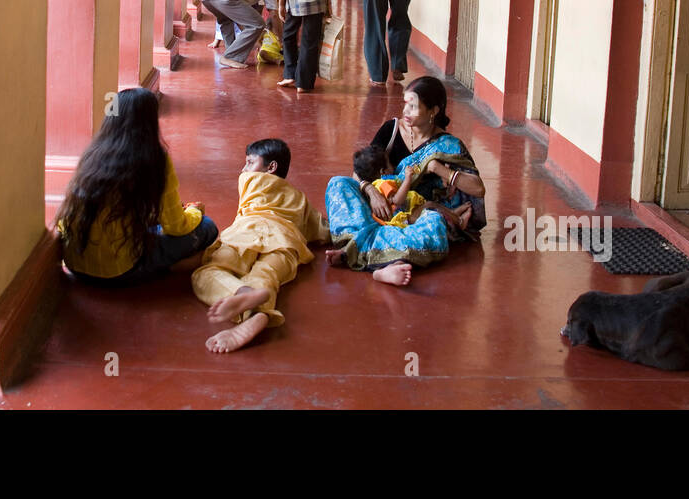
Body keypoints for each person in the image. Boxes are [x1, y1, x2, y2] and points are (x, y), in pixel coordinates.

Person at [324, 76, 485, 287]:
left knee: (434, 224)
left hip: (414, 219)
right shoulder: (391, 130)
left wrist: (437, 168)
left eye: (414, 106)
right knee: (338, 184)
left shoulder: (448, 144)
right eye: (405, 104)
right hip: (379, 209)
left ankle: (357, 251)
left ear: (433, 111)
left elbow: (478, 189)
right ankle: (382, 256)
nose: (405, 112)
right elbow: (359, 171)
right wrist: (372, 193)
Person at [57, 88, 219, 285]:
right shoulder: (155, 158)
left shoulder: (94, 152)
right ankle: (168, 267)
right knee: (207, 227)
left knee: (152, 227)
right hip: (120, 270)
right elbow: (176, 227)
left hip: (76, 266)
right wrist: (194, 212)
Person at [192, 138, 328, 353]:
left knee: (207, 273)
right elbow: (322, 231)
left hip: (246, 234)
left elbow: (247, 178)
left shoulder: (249, 179)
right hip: (286, 242)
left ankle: (242, 293)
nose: (244, 168)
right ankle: (256, 315)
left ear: (271, 167)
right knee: (266, 277)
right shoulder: (301, 199)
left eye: (249, 162)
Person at [199, 0, 277, 69]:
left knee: (226, 20)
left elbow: (245, 21)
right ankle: (230, 57)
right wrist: (280, 40)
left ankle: (230, 51)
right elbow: (274, 14)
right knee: (258, 24)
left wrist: (256, 40)